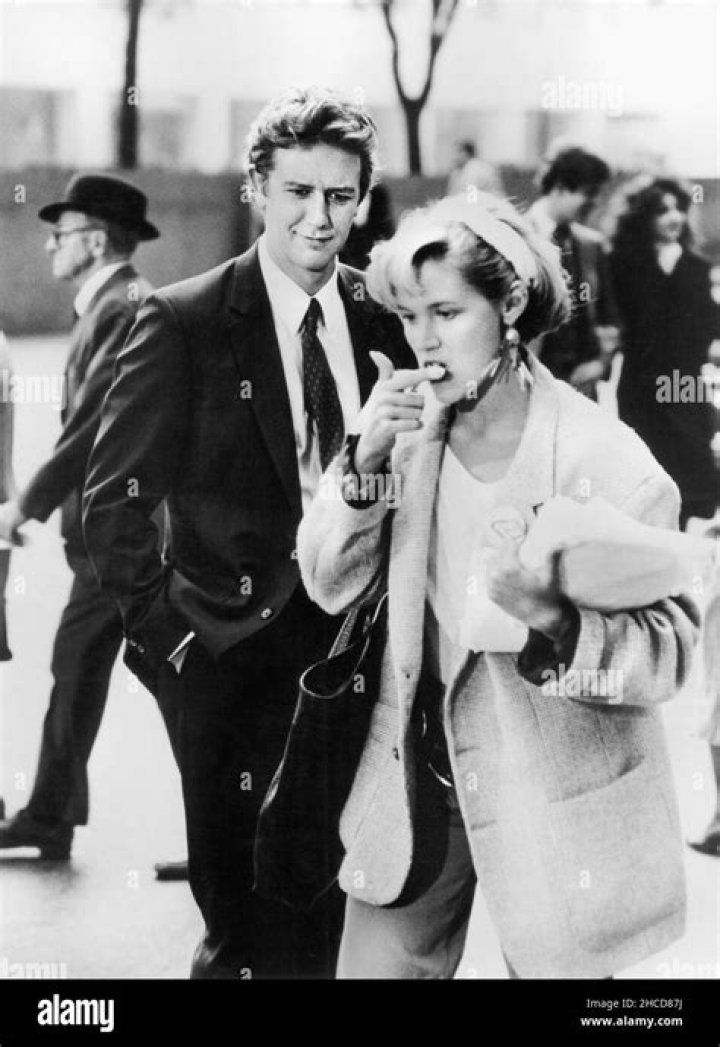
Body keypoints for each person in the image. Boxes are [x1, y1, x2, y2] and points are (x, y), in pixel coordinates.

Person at [297, 192, 700, 979]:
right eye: (408, 316)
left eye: (446, 313)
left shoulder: (606, 457)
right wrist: (362, 463)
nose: (422, 340)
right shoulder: (402, 438)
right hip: (415, 791)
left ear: (510, 304)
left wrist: (556, 620)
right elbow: (326, 580)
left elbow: (672, 656)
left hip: (558, 806)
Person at [82, 87, 414, 980]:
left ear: (363, 199)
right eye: (298, 192)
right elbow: (112, 503)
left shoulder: (385, 315)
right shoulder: (184, 319)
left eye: (340, 195)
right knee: (242, 932)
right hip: (226, 661)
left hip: (358, 658)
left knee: (337, 916)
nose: (319, 217)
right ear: (257, 189)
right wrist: (174, 647)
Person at [0, 174, 156, 861]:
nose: (49, 246)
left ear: (94, 241)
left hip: (121, 535)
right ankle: (50, 814)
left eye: (59, 234)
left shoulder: (120, 306)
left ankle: (49, 814)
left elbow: (91, 425)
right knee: (87, 667)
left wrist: (24, 505)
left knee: (95, 668)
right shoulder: (113, 302)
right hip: (118, 533)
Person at [610, 176, 719, 530]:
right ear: (643, 217)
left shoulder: (697, 268)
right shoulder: (624, 265)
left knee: (690, 467)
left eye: (678, 209)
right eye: (662, 211)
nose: (674, 218)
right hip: (640, 385)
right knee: (647, 467)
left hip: (683, 382)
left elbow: (707, 327)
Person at [526, 147, 619, 399]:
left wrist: (600, 363)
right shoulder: (515, 236)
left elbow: (609, 317)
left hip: (581, 390)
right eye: (589, 193)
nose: (594, 203)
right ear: (559, 187)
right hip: (529, 388)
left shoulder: (592, 245)